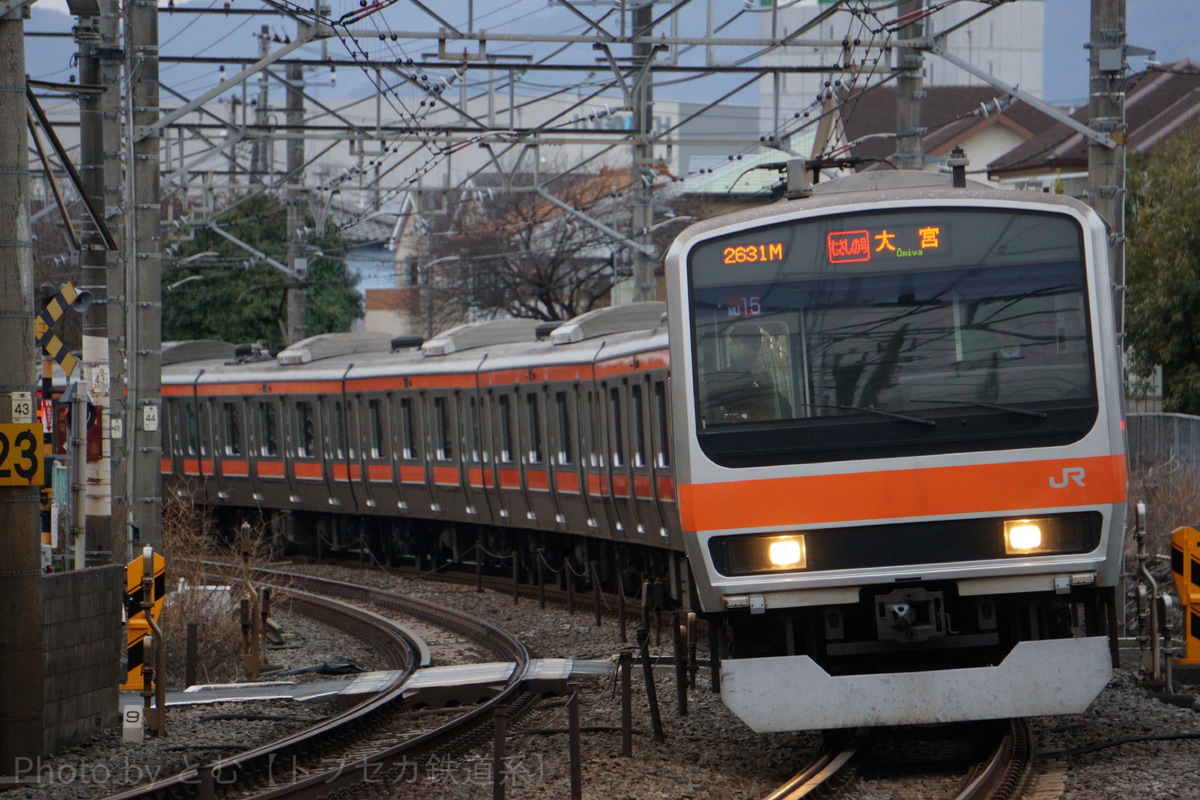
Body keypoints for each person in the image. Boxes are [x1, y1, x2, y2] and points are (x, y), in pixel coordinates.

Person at [703, 326, 791, 424]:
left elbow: (778, 408)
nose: (730, 344)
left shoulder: (763, 377)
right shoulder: (721, 377)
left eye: (735, 341)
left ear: (747, 346)